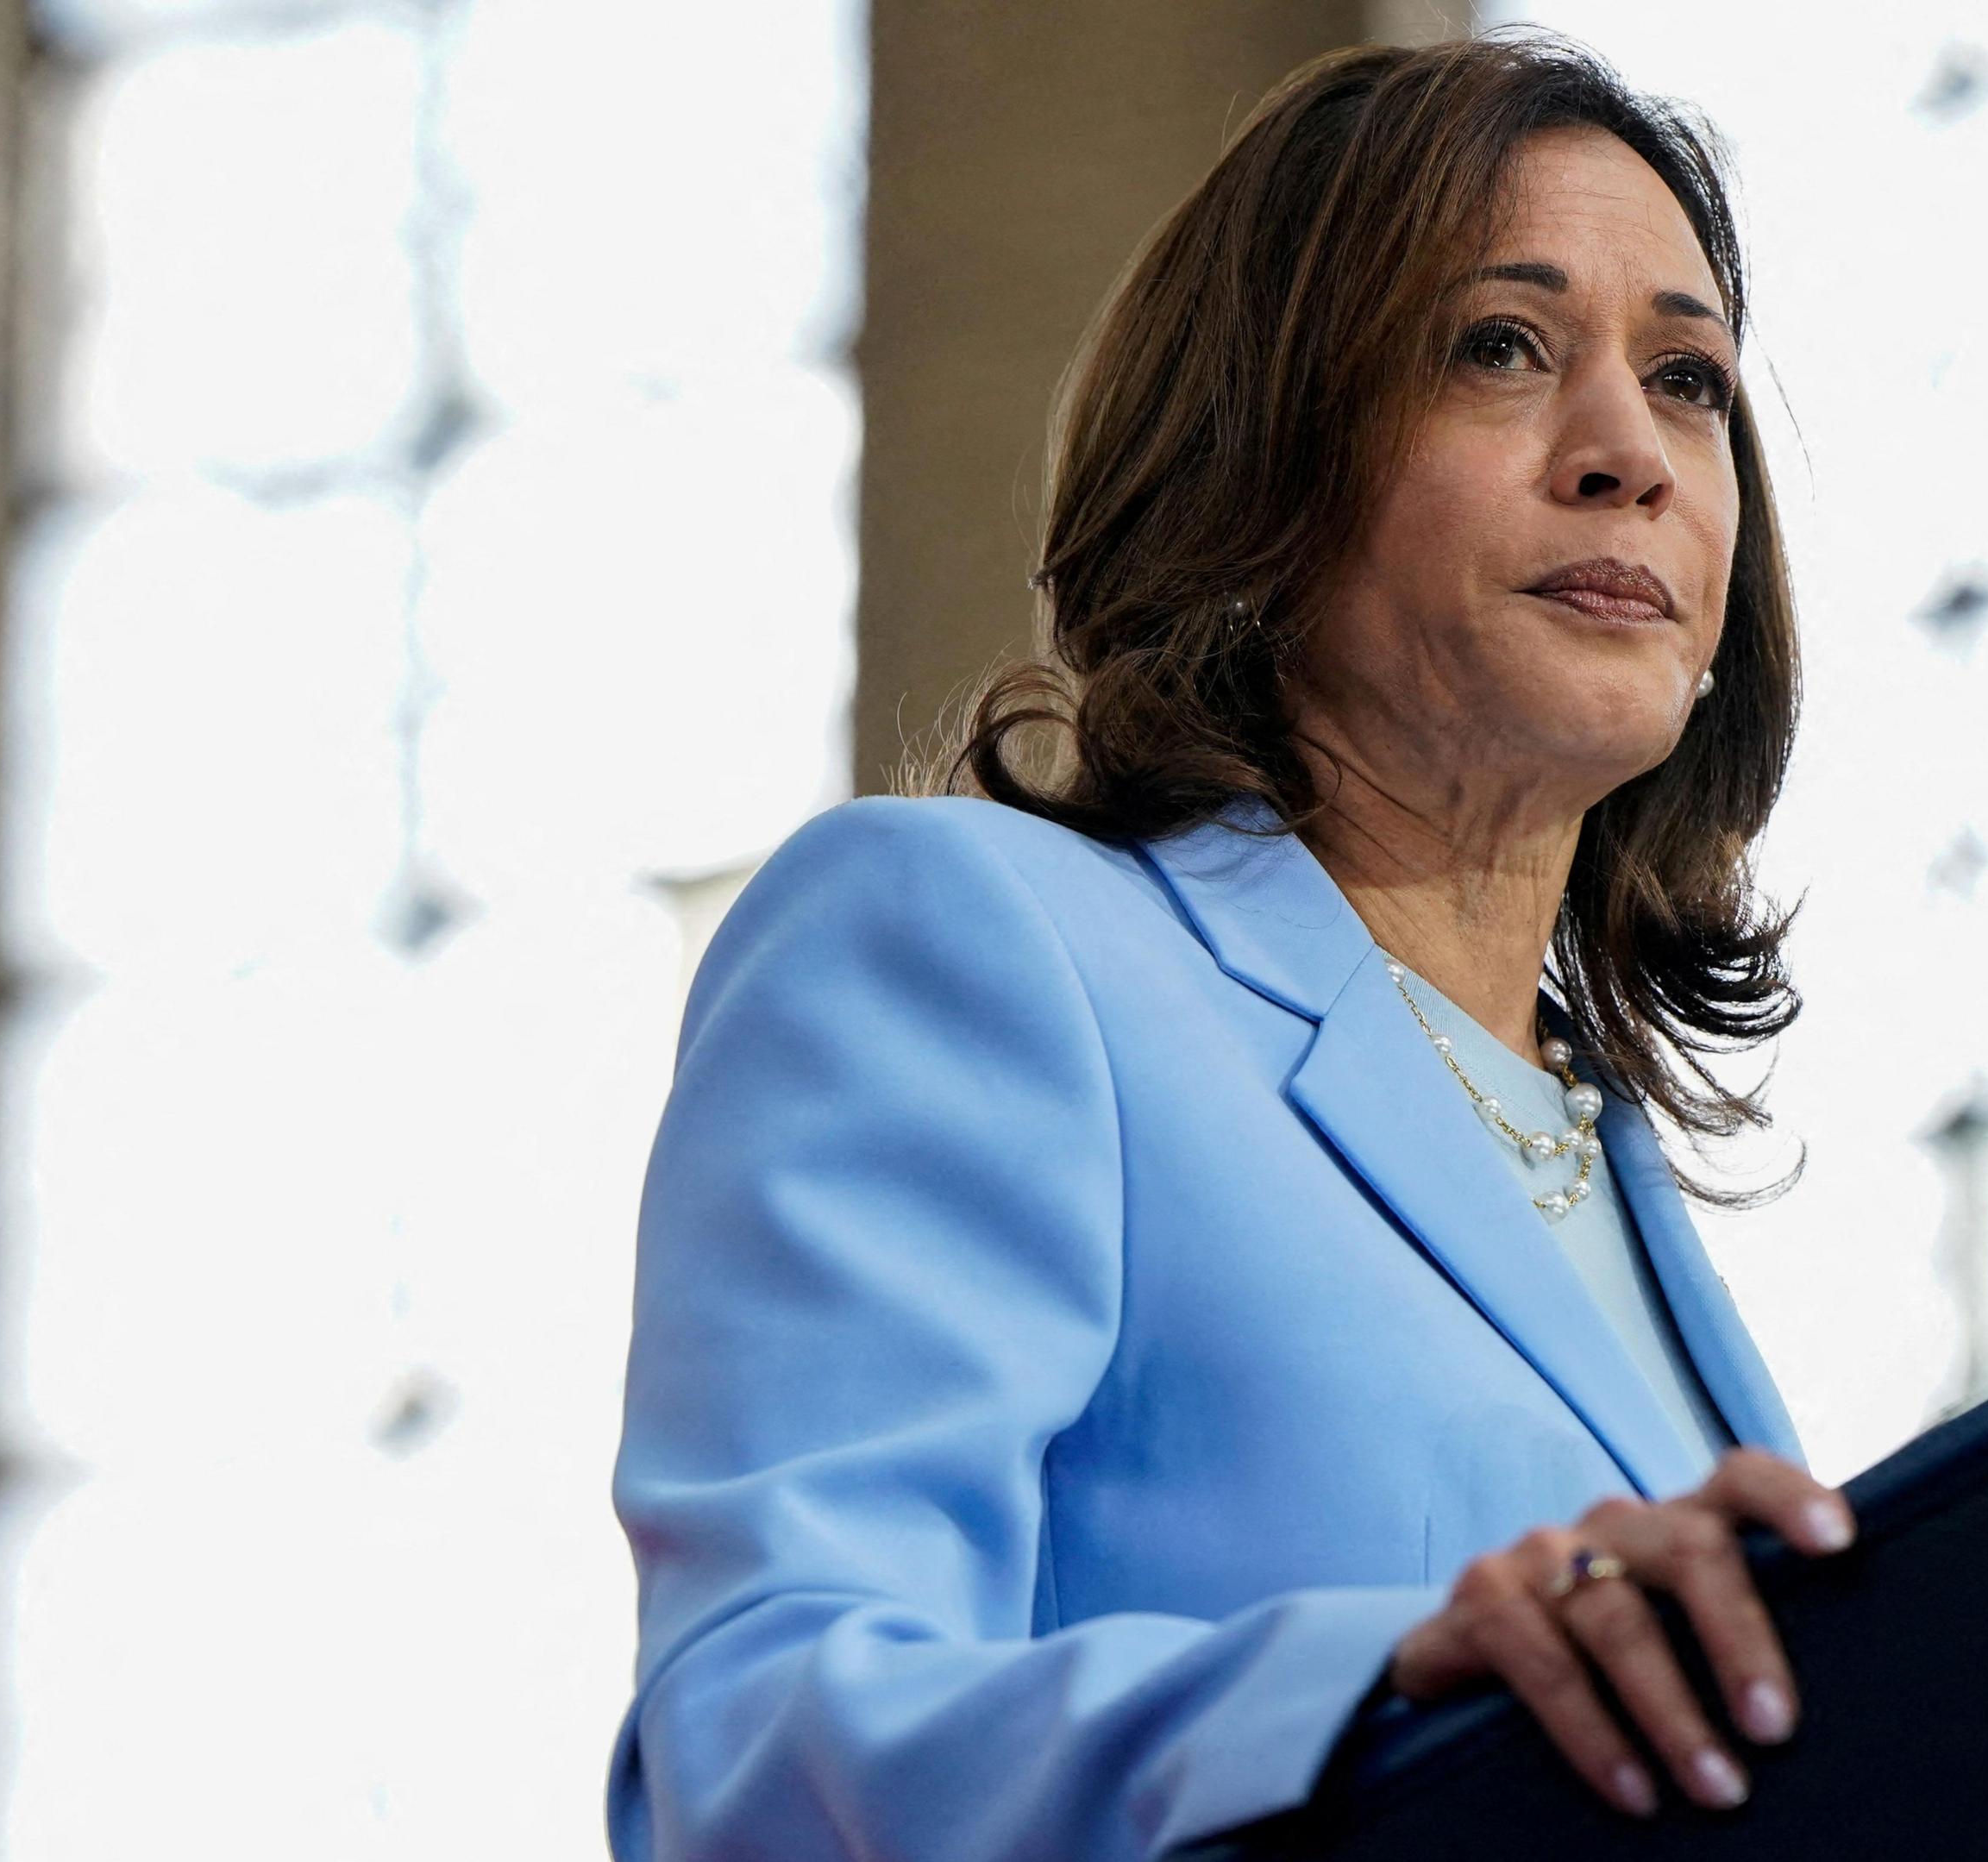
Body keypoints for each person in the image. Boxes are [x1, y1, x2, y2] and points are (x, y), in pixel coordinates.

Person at [606, 32, 1856, 1862]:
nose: (1627, 456)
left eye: (1687, 380)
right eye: (1500, 346)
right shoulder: (971, 943)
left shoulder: (1610, 1166)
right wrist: (1367, 1694)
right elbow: (758, 1758)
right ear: (1262, 442)